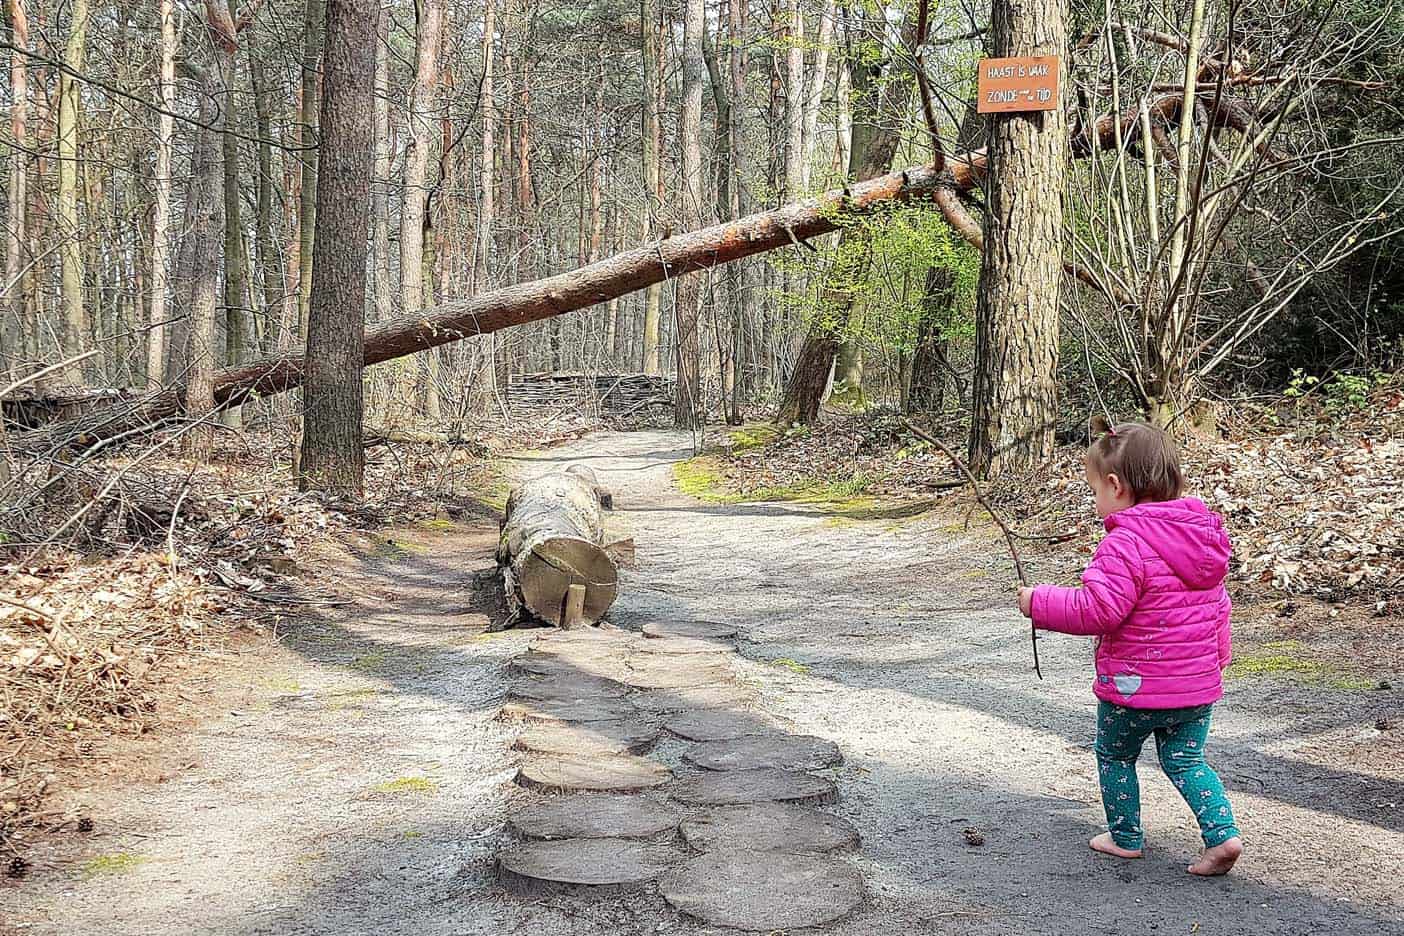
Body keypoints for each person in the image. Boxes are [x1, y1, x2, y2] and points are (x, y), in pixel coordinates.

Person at [1017, 420, 1243, 876]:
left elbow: (1099, 609)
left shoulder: (1125, 543)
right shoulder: (1204, 537)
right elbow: (1220, 608)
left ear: (1116, 486)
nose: (1096, 501)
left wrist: (1038, 601)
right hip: (1197, 688)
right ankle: (1223, 836)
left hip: (1134, 689)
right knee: (1186, 759)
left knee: (1116, 755)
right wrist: (1215, 664)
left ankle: (1125, 836)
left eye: (1095, 489)